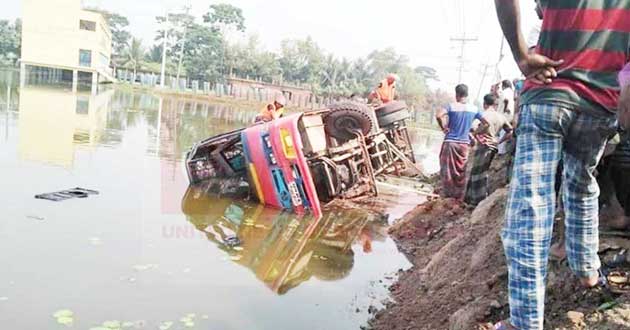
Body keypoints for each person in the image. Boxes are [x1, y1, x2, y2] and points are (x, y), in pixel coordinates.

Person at [492, 1, 630, 329]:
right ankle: (587, 271)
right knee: (582, 181)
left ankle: (525, 322)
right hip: (601, 102)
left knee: (532, 209)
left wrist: (521, 54)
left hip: (550, 90)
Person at [436, 84, 484, 200]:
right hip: (464, 144)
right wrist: (475, 133)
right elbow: (486, 123)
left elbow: (438, 115)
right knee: (461, 170)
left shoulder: (451, 106)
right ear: (466, 95)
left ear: (456, 94)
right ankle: (458, 196)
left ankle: (447, 195)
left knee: (447, 169)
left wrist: (443, 128)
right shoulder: (474, 109)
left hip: (450, 142)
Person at [465, 94, 513, 206]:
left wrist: (474, 134)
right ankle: (474, 199)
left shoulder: (483, 115)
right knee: (483, 170)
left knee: (478, 172)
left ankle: (477, 200)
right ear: (495, 104)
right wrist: (499, 141)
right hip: (493, 146)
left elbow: (474, 128)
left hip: (484, 145)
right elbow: (510, 131)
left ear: (484, 103)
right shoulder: (501, 117)